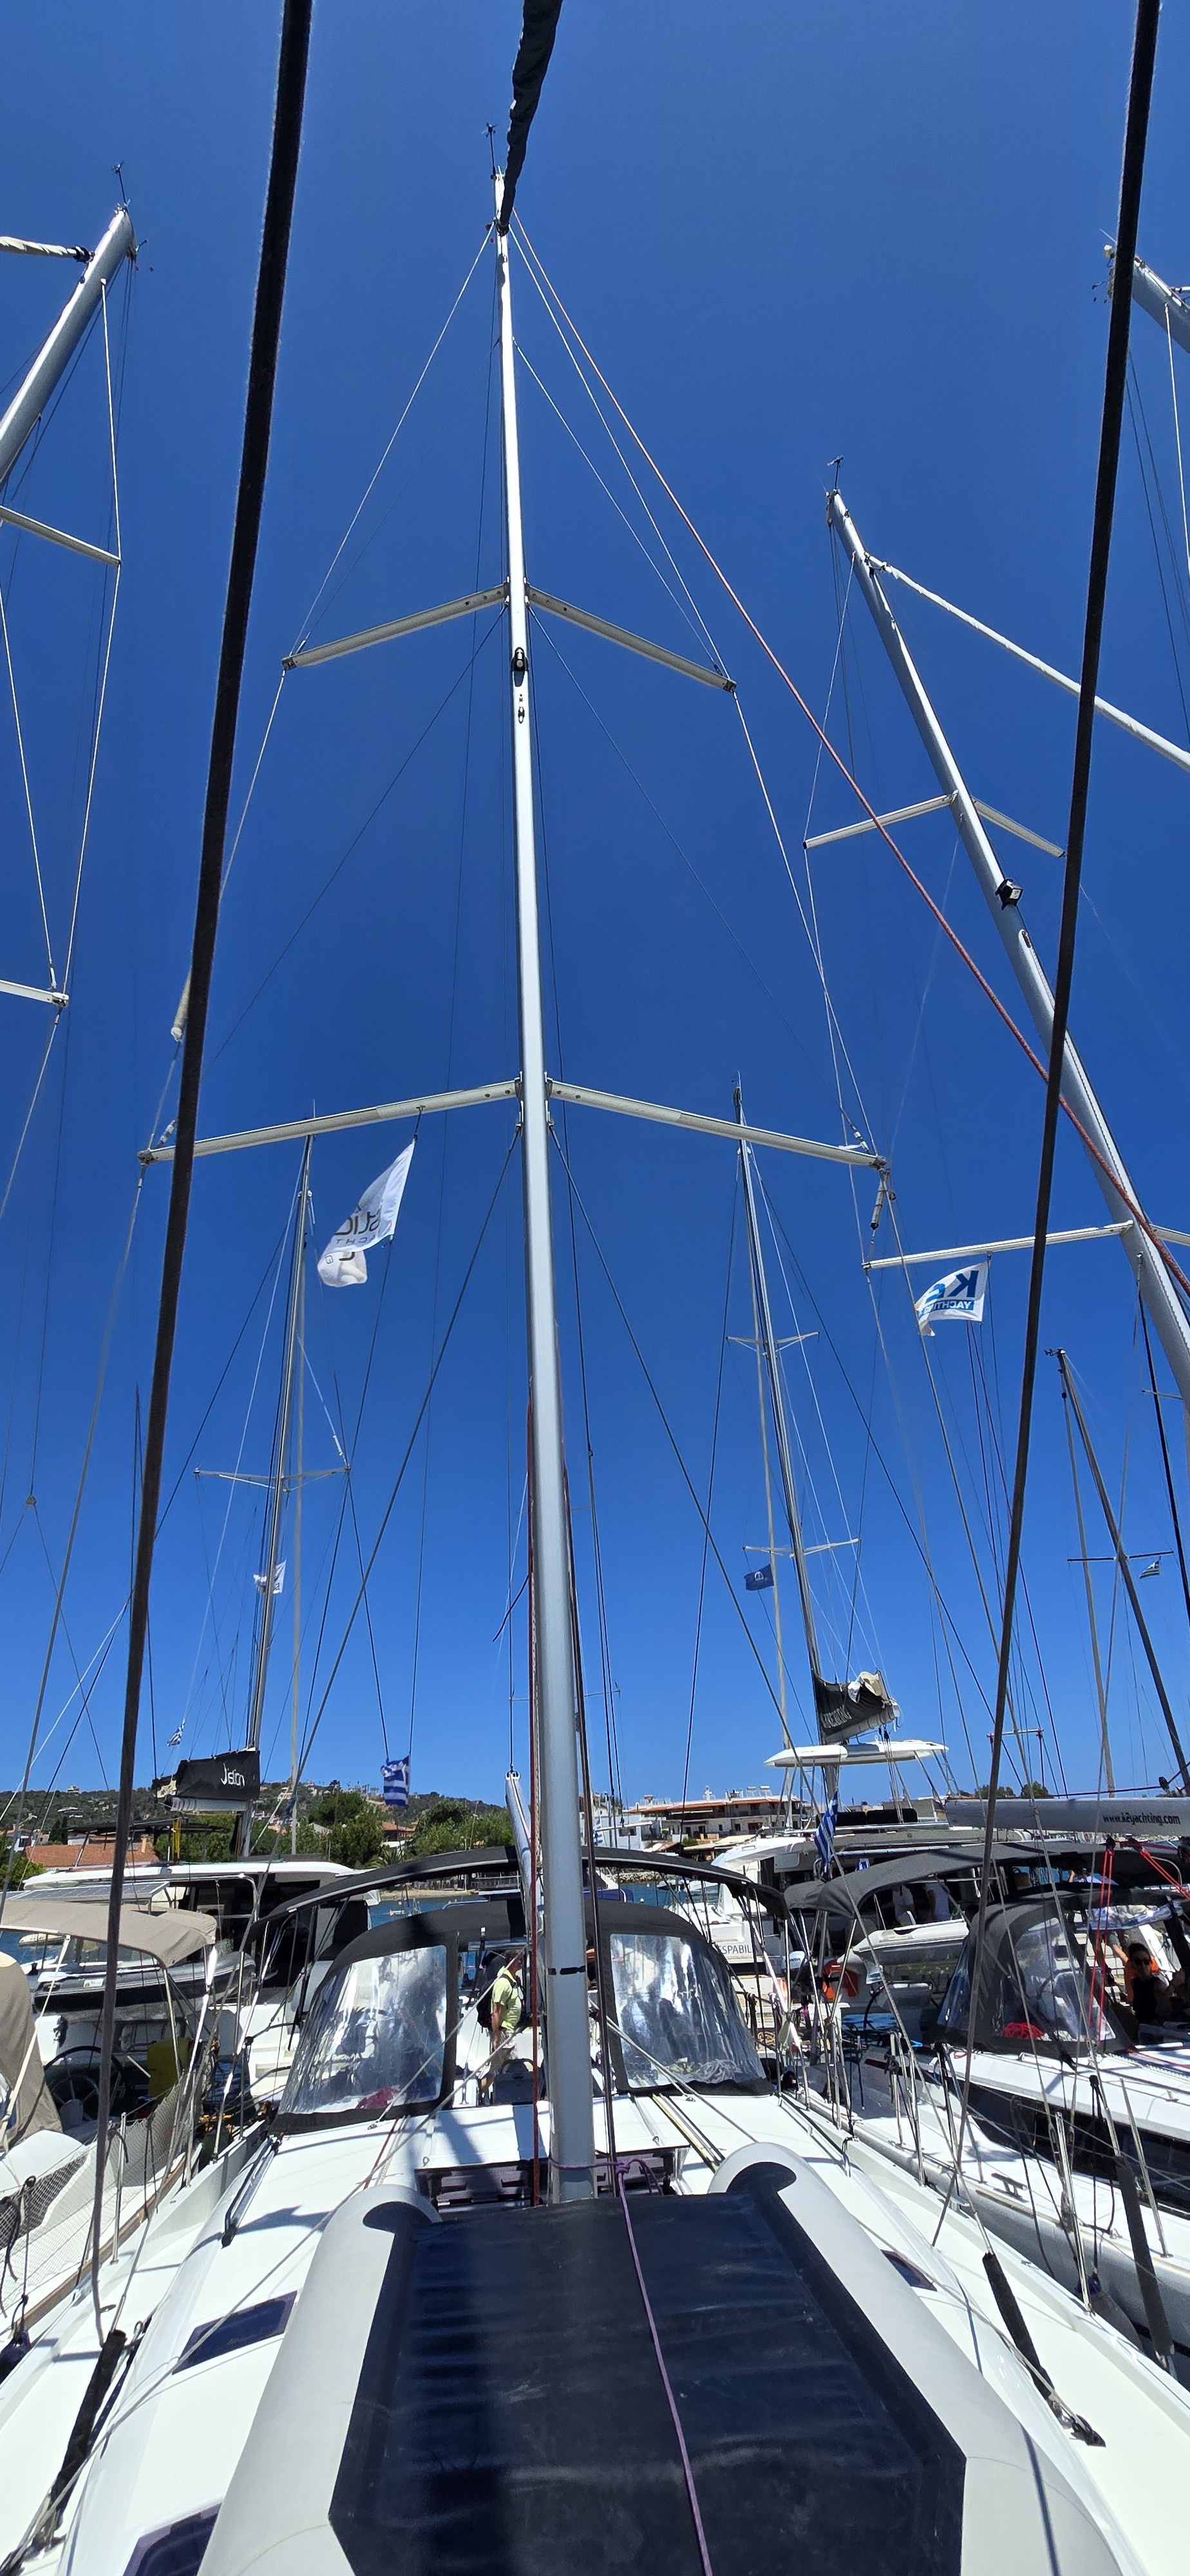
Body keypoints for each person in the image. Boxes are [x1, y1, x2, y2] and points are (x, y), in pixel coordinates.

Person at [482, 1950, 525, 2097]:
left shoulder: (512, 1981)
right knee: (516, 2068)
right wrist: (496, 2037)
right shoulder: (503, 1983)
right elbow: (496, 2011)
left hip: (506, 2032)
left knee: (495, 2070)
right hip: (504, 2034)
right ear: (511, 1960)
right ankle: (516, 2098)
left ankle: (478, 2090)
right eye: (519, 1959)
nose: (522, 1962)